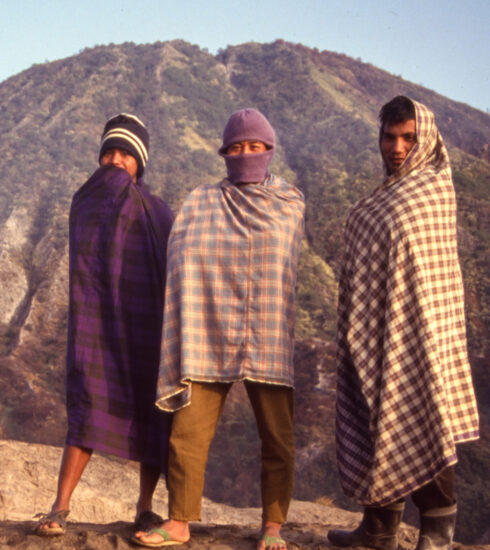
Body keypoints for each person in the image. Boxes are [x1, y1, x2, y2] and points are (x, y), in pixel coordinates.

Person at [134, 108, 305, 550]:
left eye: (254, 147)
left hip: (267, 328)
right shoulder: (202, 200)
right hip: (207, 326)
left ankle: (273, 526)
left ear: (270, 150)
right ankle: (179, 521)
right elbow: (183, 254)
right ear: (224, 153)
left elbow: (284, 263)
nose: (245, 154)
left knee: (277, 435)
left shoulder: (290, 202)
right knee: (188, 432)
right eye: (235, 148)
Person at [328, 96, 479, 550]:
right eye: (389, 137)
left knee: (426, 411)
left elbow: (432, 276)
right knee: (378, 417)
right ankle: (378, 530)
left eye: (408, 138)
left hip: (423, 334)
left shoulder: (432, 191)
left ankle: (436, 533)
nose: (397, 147)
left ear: (425, 139)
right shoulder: (376, 201)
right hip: (375, 335)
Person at [34, 114, 174, 536]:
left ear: (140, 165)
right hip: (98, 324)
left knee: (152, 413)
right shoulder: (88, 199)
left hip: (145, 324)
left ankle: (145, 507)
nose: (115, 161)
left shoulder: (158, 210)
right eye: (109, 153)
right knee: (88, 405)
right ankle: (60, 506)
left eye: (126, 156)